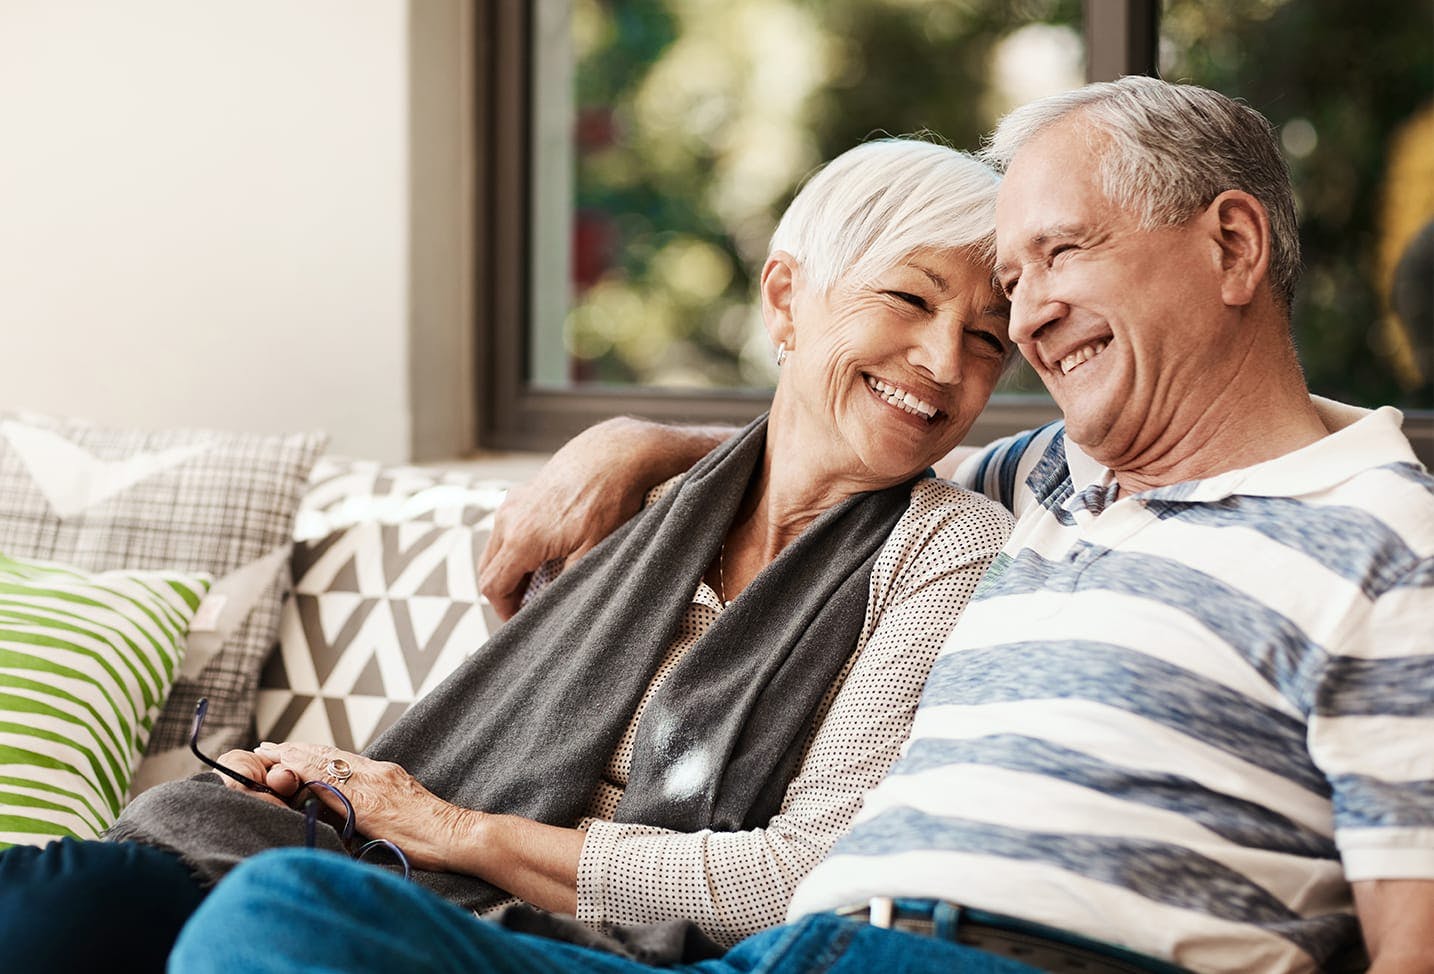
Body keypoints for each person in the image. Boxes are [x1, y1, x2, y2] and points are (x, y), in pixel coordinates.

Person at [169, 76, 1434, 974]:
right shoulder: (1046, 478)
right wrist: (637, 444)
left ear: (1230, 241)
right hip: (797, 952)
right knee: (281, 916)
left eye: (1058, 257)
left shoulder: (1388, 544)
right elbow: (847, 431)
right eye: (1014, 283)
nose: (1027, 320)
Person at [0, 138, 1019, 971]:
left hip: (551, 933)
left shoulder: (949, 545)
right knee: (68, 905)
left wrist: (440, 823)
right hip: (385, 863)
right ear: (786, 298)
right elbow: (492, 742)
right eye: (910, 299)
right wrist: (338, 787)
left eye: (988, 339)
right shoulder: (638, 499)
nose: (944, 363)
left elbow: (782, 879)